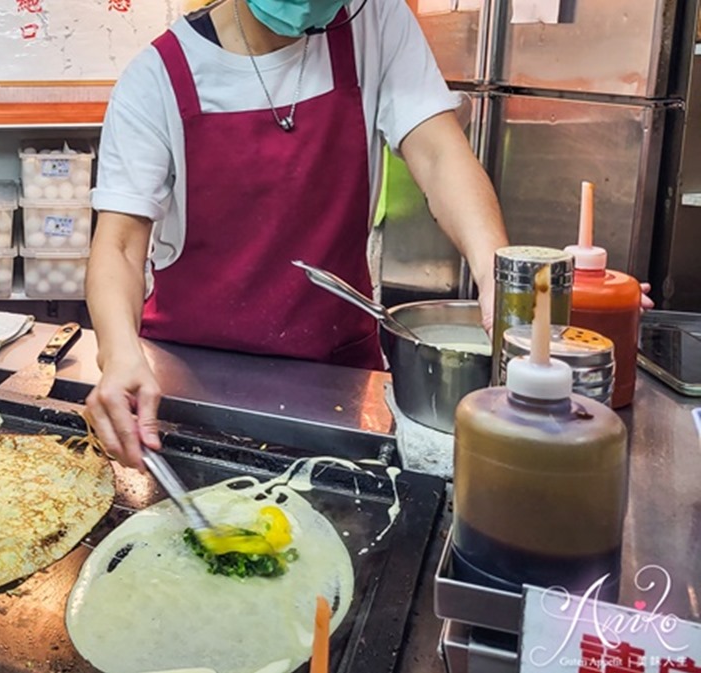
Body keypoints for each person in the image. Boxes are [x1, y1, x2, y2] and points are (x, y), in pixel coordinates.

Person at [84, 0, 511, 467]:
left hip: (335, 386)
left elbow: (438, 154)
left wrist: (498, 273)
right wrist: (119, 353)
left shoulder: (376, 22)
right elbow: (120, 245)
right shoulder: (159, 76)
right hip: (190, 384)